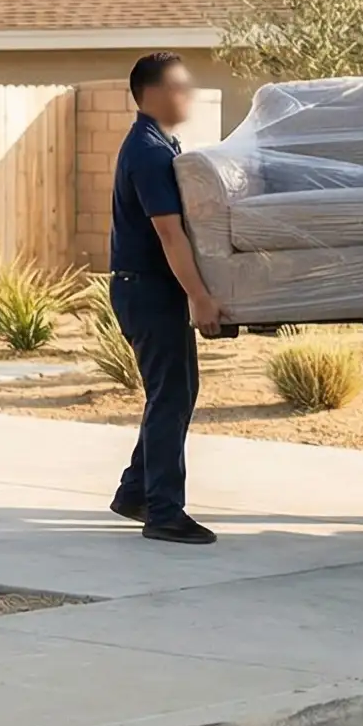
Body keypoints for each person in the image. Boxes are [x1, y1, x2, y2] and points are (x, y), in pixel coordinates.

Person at [107, 51, 225, 545]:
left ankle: (136, 491)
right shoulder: (151, 152)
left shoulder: (159, 143)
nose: (189, 95)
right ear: (152, 93)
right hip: (149, 289)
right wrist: (199, 296)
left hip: (148, 288)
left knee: (173, 392)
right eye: (180, 86)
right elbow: (169, 235)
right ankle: (163, 511)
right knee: (171, 395)